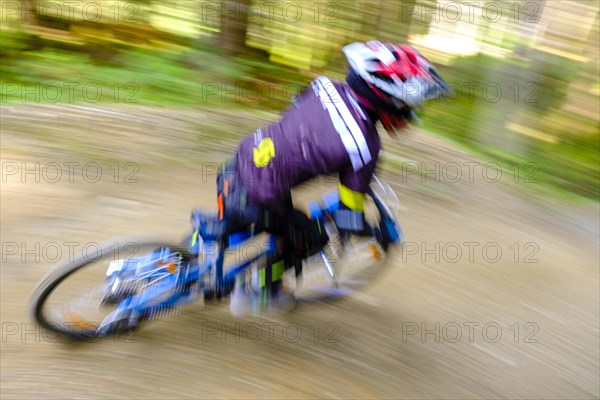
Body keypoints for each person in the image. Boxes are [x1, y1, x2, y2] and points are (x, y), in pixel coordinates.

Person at [216, 41, 450, 315]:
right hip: (259, 199)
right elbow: (348, 216)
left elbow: (297, 122)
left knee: (254, 214)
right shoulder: (365, 147)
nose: (411, 114)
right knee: (307, 238)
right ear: (389, 100)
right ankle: (258, 290)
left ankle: (191, 252)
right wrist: (374, 231)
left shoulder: (324, 85)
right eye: (410, 106)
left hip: (238, 162)